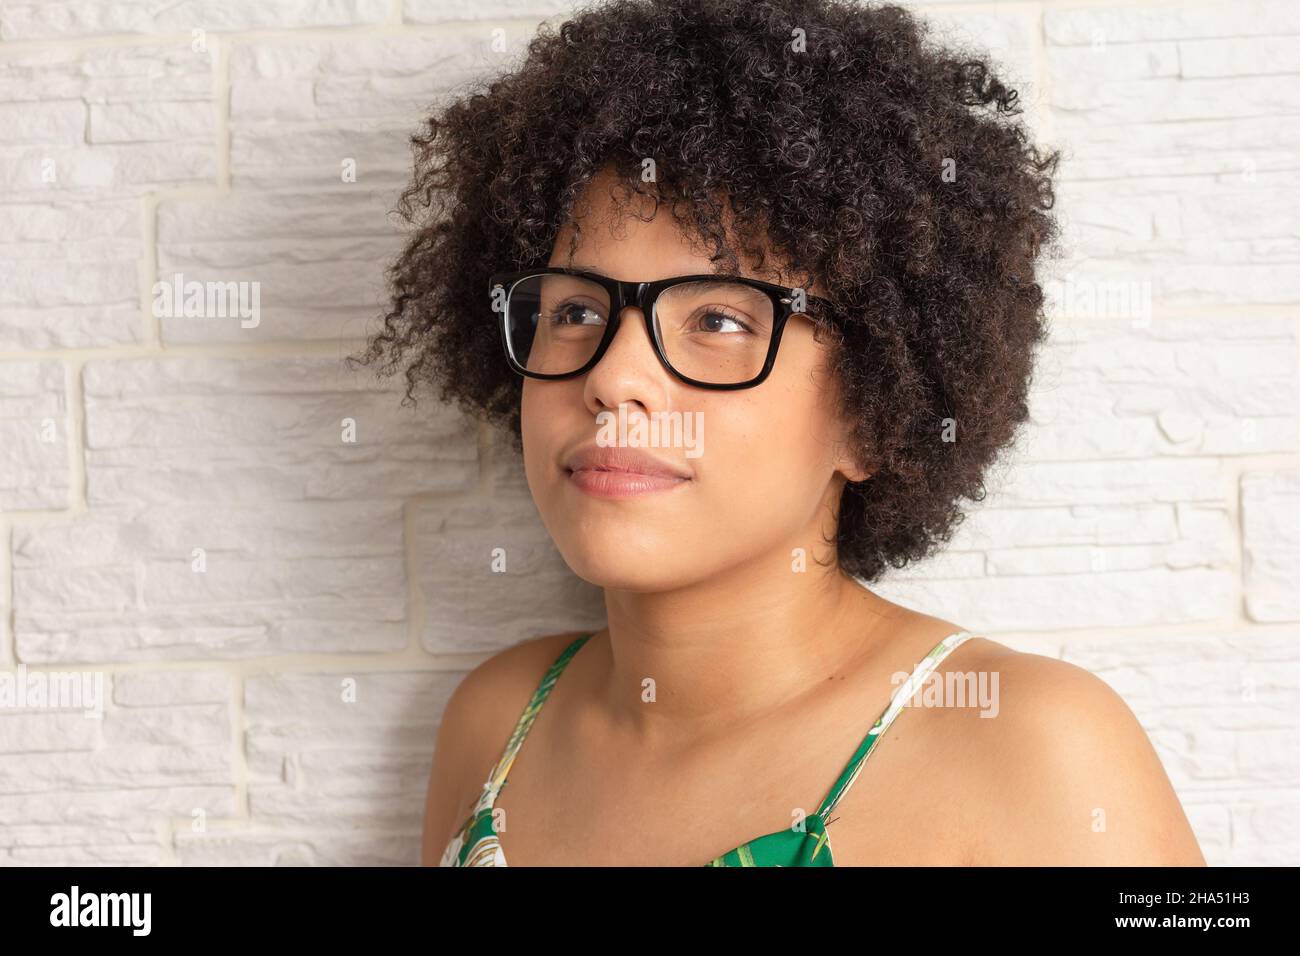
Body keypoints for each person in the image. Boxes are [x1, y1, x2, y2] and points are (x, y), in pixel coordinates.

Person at [350, 0, 1206, 866]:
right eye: (575, 309)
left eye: (720, 321)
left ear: (874, 411)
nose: (611, 378)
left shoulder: (1033, 748)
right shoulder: (498, 725)